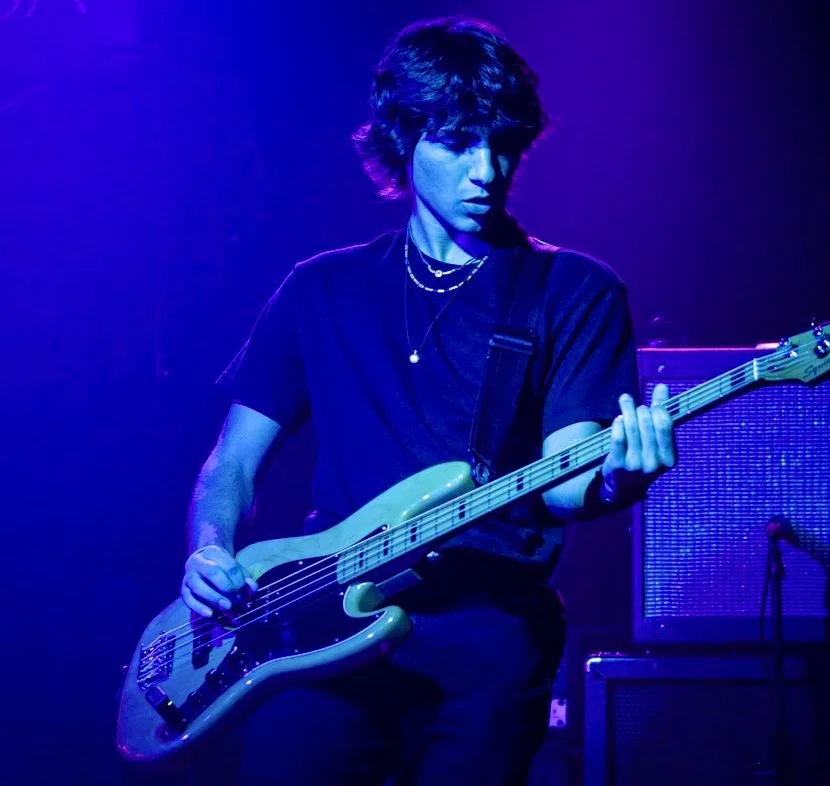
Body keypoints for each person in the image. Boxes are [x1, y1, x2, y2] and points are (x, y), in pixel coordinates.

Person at [180, 15, 676, 786]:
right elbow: (232, 463)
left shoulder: (572, 288)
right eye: (457, 143)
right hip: (319, 617)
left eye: (502, 144)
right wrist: (209, 547)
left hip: (487, 628)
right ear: (403, 139)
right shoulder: (320, 288)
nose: (487, 171)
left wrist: (615, 480)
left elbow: (565, 476)